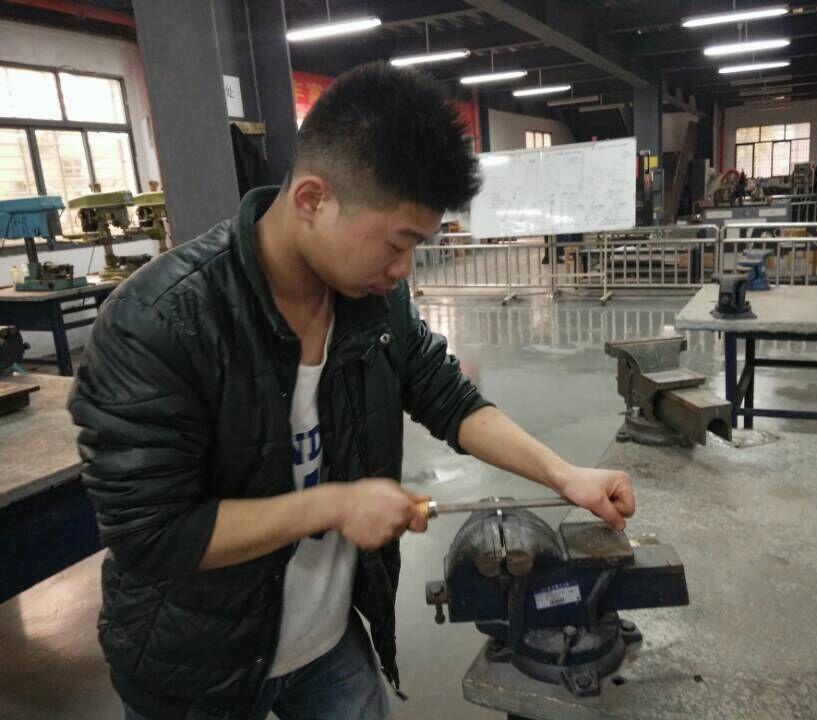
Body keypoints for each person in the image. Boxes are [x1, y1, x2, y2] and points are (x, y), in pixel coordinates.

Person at [69, 62, 635, 720]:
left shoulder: (372, 305)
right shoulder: (160, 322)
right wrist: (333, 506)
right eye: (398, 243)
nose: (404, 270)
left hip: (328, 646)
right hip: (198, 665)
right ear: (313, 200)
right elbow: (153, 536)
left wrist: (566, 476)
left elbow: (450, 400)